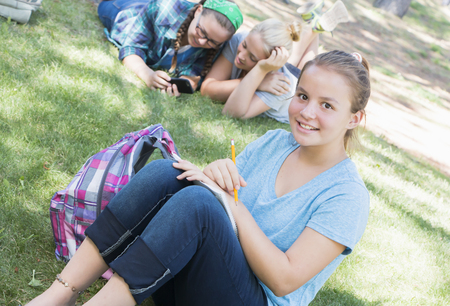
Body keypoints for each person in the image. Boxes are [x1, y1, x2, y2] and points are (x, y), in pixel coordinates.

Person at [26, 50, 371, 306]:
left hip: (251, 300)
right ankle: (60, 294)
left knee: (200, 203)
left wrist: (229, 203)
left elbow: (284, 280)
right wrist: (213, 174)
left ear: (354, 118)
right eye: (303, 96)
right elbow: (212, 206)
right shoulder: (275, 143)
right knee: (168, 172)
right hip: (192, 279)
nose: (307, 112)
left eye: (327, 106)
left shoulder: (346, 195)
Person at [200, 0, 349, 123]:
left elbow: (232, 112)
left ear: (270, 62)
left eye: (253, 58)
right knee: (295, 62)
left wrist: (259, 72)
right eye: (244, 45)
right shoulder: (241, 40)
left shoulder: (280, 85)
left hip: (295, 84)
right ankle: (314, 26)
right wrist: (259, 82)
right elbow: (207, 89)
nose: (242, 55)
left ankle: (314, 27)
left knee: (307, 71)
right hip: (285, 68)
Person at [97, 0, 243, 96]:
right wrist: (147, 74)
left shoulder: (216, 44)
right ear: (198, 10)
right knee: (103, 5)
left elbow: (194, 73)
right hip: (128, 13)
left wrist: (185, 83)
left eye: (211, 41)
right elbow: (132, 49)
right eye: (201, 31)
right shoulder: (163, 7)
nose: (201, 40)